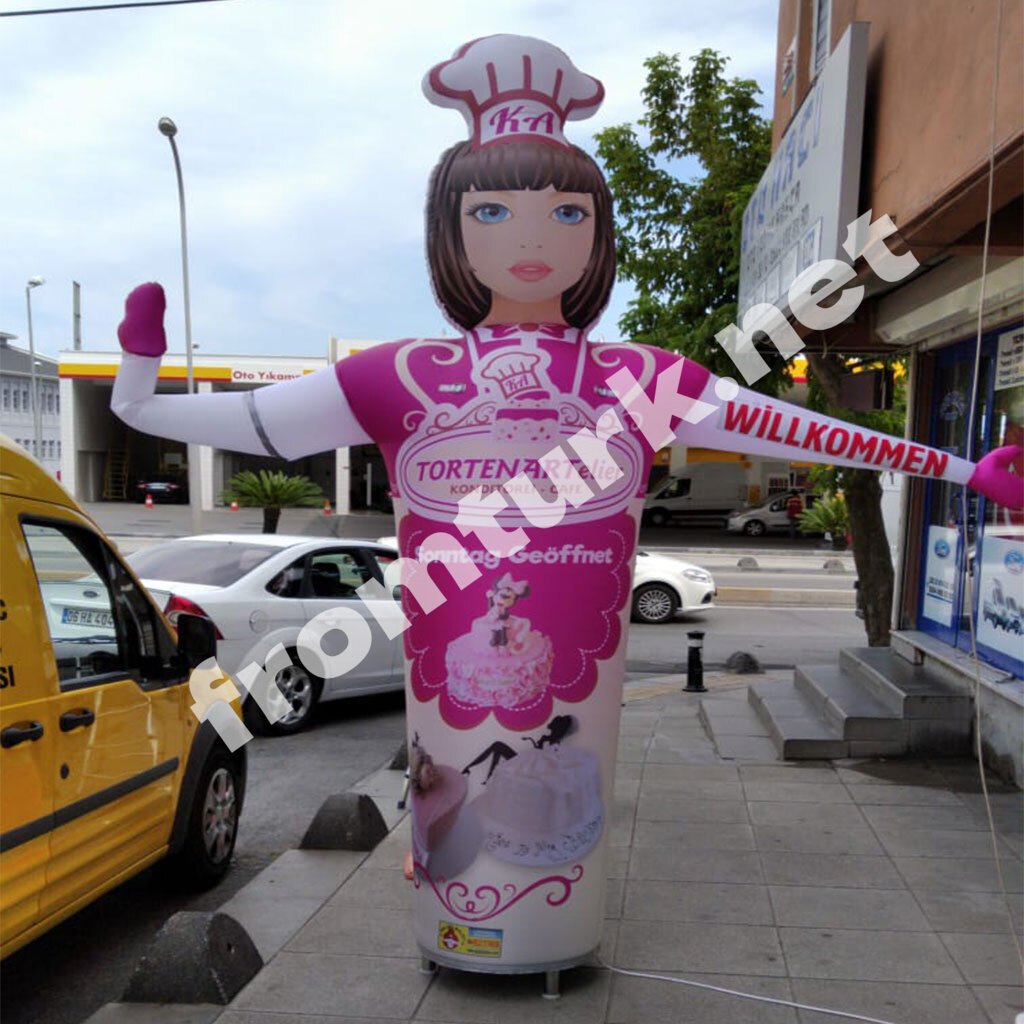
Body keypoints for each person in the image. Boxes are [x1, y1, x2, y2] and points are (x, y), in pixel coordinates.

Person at [111, 34, 1023, 969]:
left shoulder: (632, 377)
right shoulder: (403, 375)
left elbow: (795, 428)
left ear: (598, 232)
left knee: (554, 792)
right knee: (451, 791)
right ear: (451, 233)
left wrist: (954, 469)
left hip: (570, 675)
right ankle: (455, 917)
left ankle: (537, 928)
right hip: (454, 667)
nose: (534, 238)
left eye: (566, 212)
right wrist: (140, 391)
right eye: (496, 209)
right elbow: (258, 418)